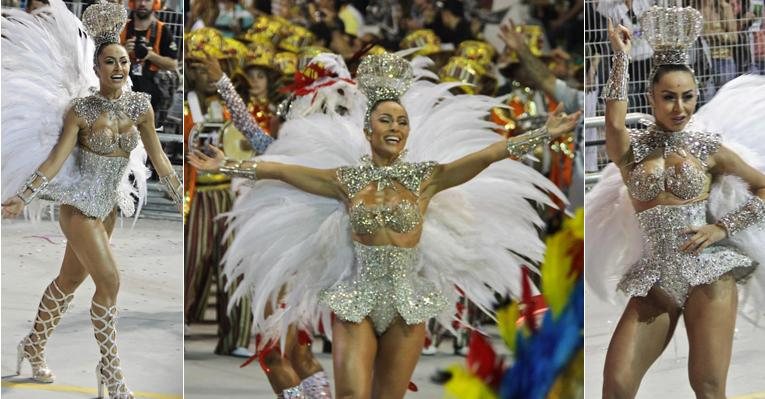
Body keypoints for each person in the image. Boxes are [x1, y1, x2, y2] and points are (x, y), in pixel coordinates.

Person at [189, 52, 580, 398]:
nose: (395, 126)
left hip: (407, 308)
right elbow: (282, 169)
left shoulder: (427, 178)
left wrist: (544, 133)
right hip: (356, 301)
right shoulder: (344, 180)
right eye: (386, 119)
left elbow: (488, 154)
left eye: (402, 121)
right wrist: (225, 164)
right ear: (368, 130)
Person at [1, 1, 182, 398]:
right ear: (96, 69)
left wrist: (180, 195)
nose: (118, 67)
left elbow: (160, 157)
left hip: (110, 207)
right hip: (79, 206)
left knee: (69, 279)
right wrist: (21, 196)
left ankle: (33, 344)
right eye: (109, 62)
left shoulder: (140, 107)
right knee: (110, 281)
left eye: (122, 60)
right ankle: (111, 372)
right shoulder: (81, 110)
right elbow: (54, 161)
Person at [587, 7, 765, 398]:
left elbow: (763, 189)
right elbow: (614, 124)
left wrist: (722, 227)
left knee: (707, 386)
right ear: (650, 97)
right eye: (668, 97)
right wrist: (619, 58)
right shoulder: (631, 152)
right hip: (656, 281)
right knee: (615, 385)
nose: (679, 108)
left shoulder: (710, 150)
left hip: (709, 276)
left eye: (687, 97)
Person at [190, 50, 359, 399]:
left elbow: (269, 158)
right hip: (283, 254)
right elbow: (259, 140)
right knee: (293, 351)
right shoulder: (301, 146)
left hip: (298, 258)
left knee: (276, 352)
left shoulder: (337, 157)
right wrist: (223, 82)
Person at [120, 0, 179, 117]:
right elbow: (107, 59)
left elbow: (173, 64)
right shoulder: (122, 28)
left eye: (147, 0)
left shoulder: (162, 30)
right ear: (132, 2)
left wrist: (151, 55)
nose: (142, 4)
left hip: (152, 96)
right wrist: (123, 51)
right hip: (123, 92)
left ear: (155, 3)